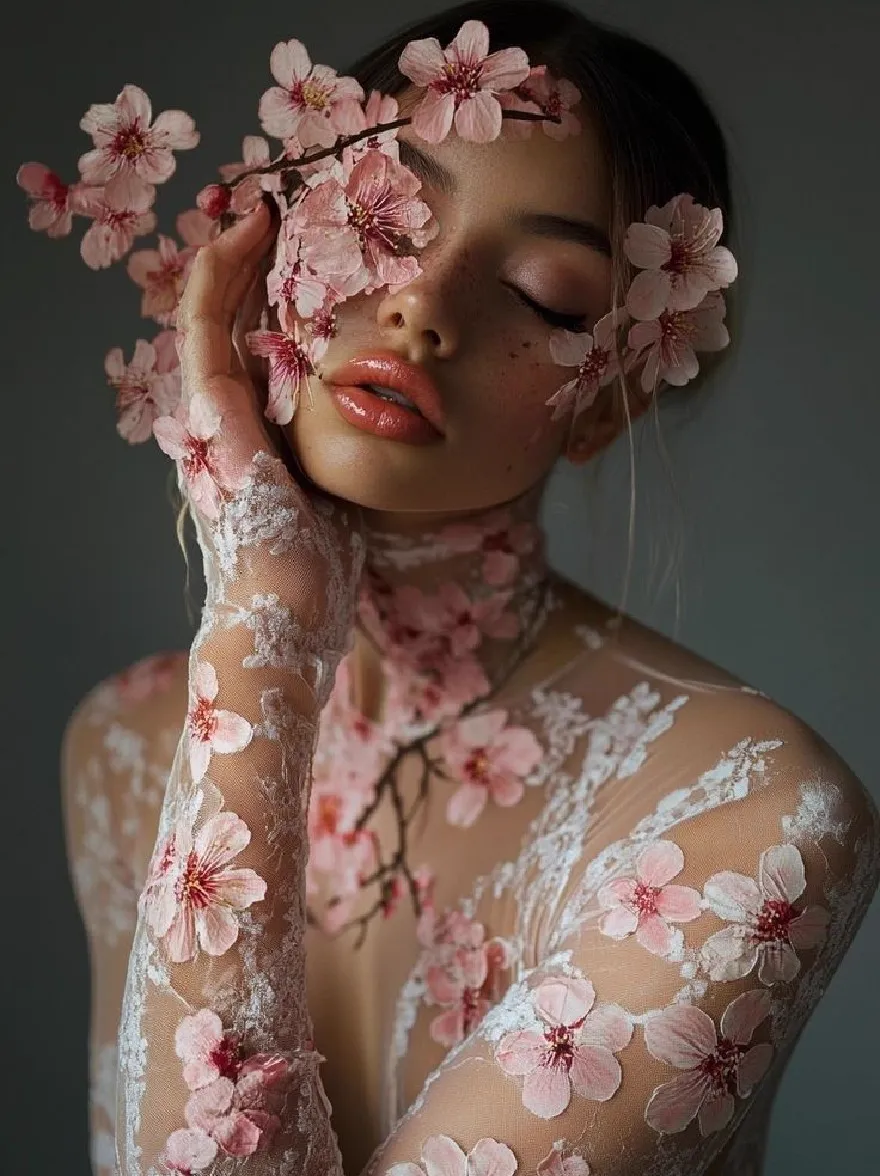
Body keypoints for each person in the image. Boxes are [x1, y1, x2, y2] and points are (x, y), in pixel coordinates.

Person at [58, 3, 879, 1175]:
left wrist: (266, 619)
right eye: (379, 220)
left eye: (545, 293)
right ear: (263, 239)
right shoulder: (125, 748)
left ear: (608, 400)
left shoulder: (749, 821)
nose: (421, 309)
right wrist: (266, 621)